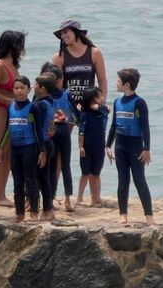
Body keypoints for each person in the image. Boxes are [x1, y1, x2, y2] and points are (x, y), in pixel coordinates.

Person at [0, 76, 48, 223]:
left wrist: (42, 151)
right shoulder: (11, 106)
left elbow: (38, 131)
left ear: (29, 90)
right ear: (13, 90)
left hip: (29, 148)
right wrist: (0, 148)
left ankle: (34, 212)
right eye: (16, 88)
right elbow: (7, 129)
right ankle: (19, 213)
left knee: (30, 180)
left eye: (22, 88)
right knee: (17, 182)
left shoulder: (33, 108)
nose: (19, 91)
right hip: (15, 149)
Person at [106, 68, 154, 225]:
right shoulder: (117, 102)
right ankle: (123, 215)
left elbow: (145, 127)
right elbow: (114, 125)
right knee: (123, 180)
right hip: (120, 145)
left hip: (136, 146)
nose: (116, 83)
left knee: (139, 180)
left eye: (118, 81)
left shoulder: (139, 103)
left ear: (126, 84)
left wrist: (146, 149)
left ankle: (149, 217)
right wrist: (107, 145)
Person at [0, 31, 26, 208]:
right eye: (19, 44)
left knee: (9, 153)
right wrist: (11, 101)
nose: (22, 48)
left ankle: (2, 193)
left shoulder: (14, 65)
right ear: (11, 45)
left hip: (12, 111)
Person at [42, 63, 78, 211]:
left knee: (50, 167)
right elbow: (77, 112)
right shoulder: (66, 93)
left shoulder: (42, 95)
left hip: (49, 132)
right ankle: (68, 200)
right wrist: (78, 122)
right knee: (65, 165)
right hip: (63, 130)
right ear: (58, 80)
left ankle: (50, 199)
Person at [51, 19, 107, 109]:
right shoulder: (59, 57)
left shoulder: (94, 53)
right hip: (69, 106)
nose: (63, 36)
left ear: (76, 32)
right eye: (61, 34)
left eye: (65, 32)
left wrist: (102, 100)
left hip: (90, 105)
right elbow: (57, 86)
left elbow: (102, 80)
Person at [77, 86, 109, 206]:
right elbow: (81, 132)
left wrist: (93, 105)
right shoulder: (85, 114)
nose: (102, 98)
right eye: (99, 96)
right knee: (85, 173)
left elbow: (107, 109)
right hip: (87, 146)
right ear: (92, 99)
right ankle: (79, 197)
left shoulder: (102, 112)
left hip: (99, 145)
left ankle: (96, 197)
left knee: (96, 173)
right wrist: (81, 146)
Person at [33, 74, 56, 220]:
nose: (33, 87)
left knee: (40, 179)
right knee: (44, 178)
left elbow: (37, 128)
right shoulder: (49, 102)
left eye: (36, 84)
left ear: (42, 89)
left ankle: (46, 209)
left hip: (41, 144)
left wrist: (41, 149)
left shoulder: (40, 105)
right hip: (47, 142)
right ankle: (48, 209)